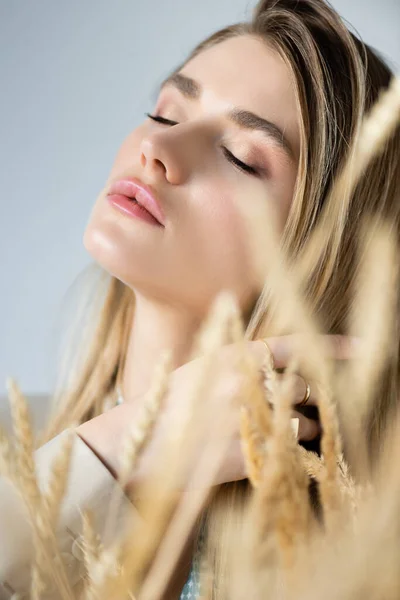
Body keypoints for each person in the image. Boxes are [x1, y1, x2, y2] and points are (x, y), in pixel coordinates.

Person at [1, 0, 399, 598]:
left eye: (241, 155)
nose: (157, 151)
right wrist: (112, 455)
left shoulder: (357, 560)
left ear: (319, 262)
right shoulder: (14, 444)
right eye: (163, 114)